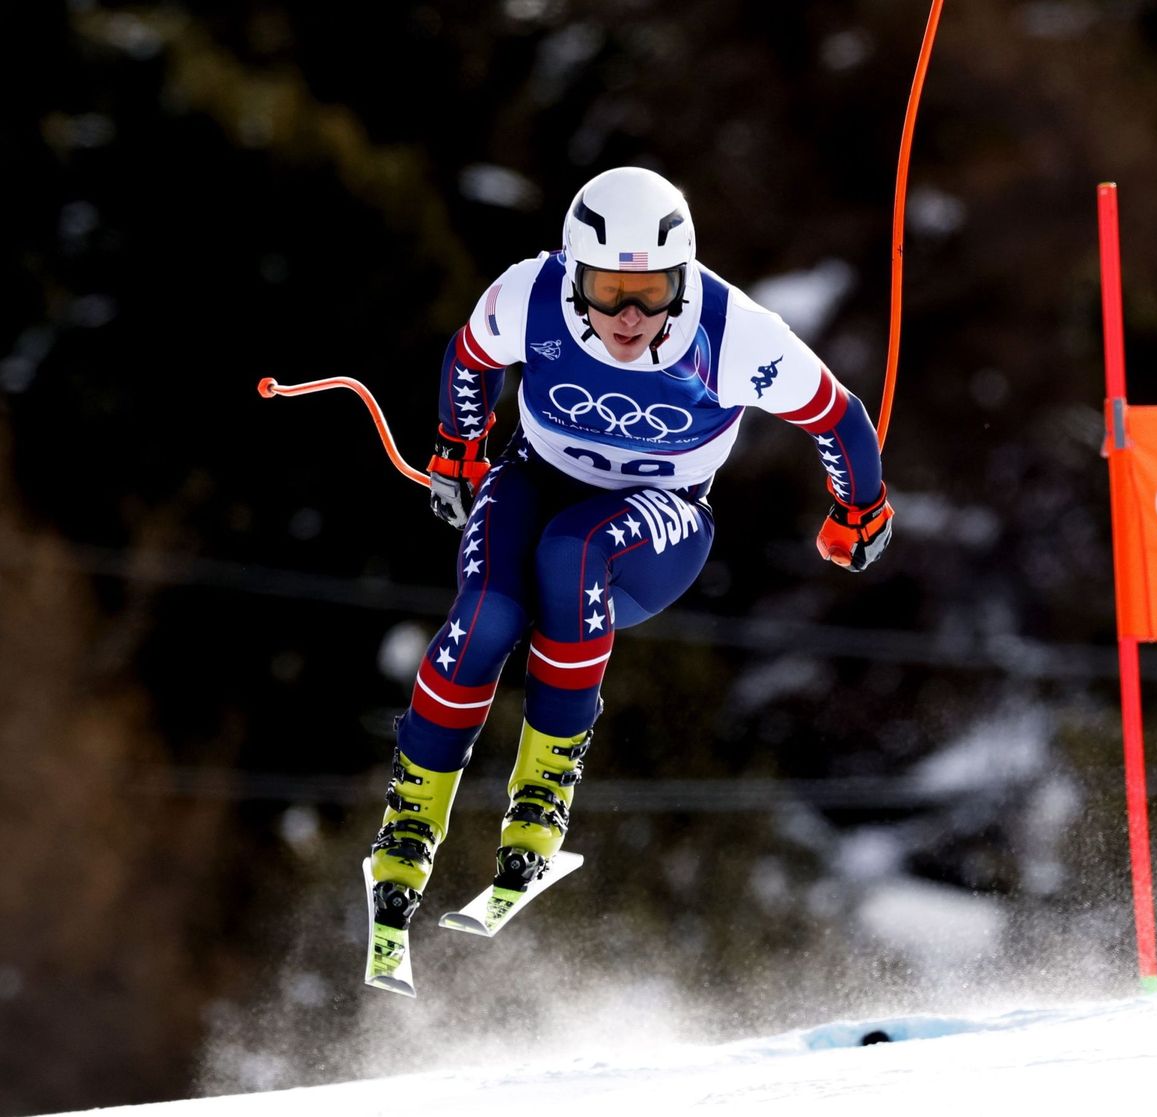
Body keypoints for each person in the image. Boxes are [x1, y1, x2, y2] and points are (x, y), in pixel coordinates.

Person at [367, 167, 893, 931]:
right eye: (609, 289)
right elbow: (470, 358)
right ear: (576, 272)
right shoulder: (532, 294)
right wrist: (458, 447)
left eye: (653, 290)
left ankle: (543, 795)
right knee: (484, 617)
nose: (630, 314)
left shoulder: (733, 332)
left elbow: (838, 418)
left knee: (571, 552)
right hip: (536, 477)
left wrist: (861, 509)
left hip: (660, 522)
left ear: (684, 277)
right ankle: (410, 819)